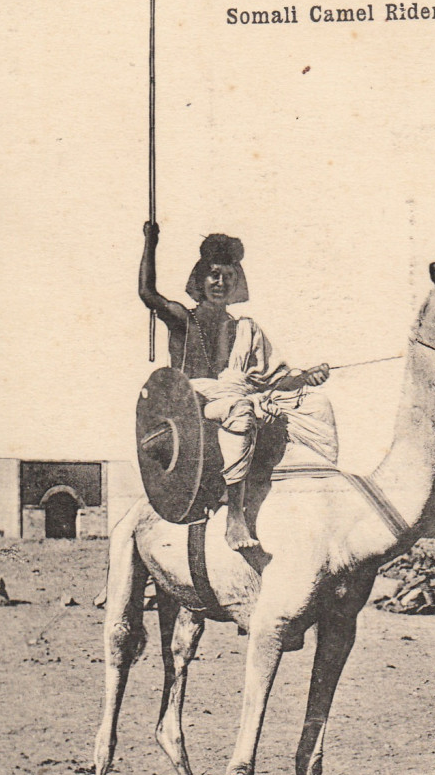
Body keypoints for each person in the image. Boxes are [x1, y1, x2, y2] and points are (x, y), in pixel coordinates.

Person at [138, 221, 337, 550]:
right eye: (214, 275)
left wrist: (306, 376)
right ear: (201, 280)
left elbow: (276, 379)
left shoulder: (246, 328)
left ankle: (314, 496)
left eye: (227, 277)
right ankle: (234, 517)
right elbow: (147, 293)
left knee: (317, 405)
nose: (220, 282)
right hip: (198, 406)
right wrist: (151, 241)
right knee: (240, 410)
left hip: (244, 396)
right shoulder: (182, 319)